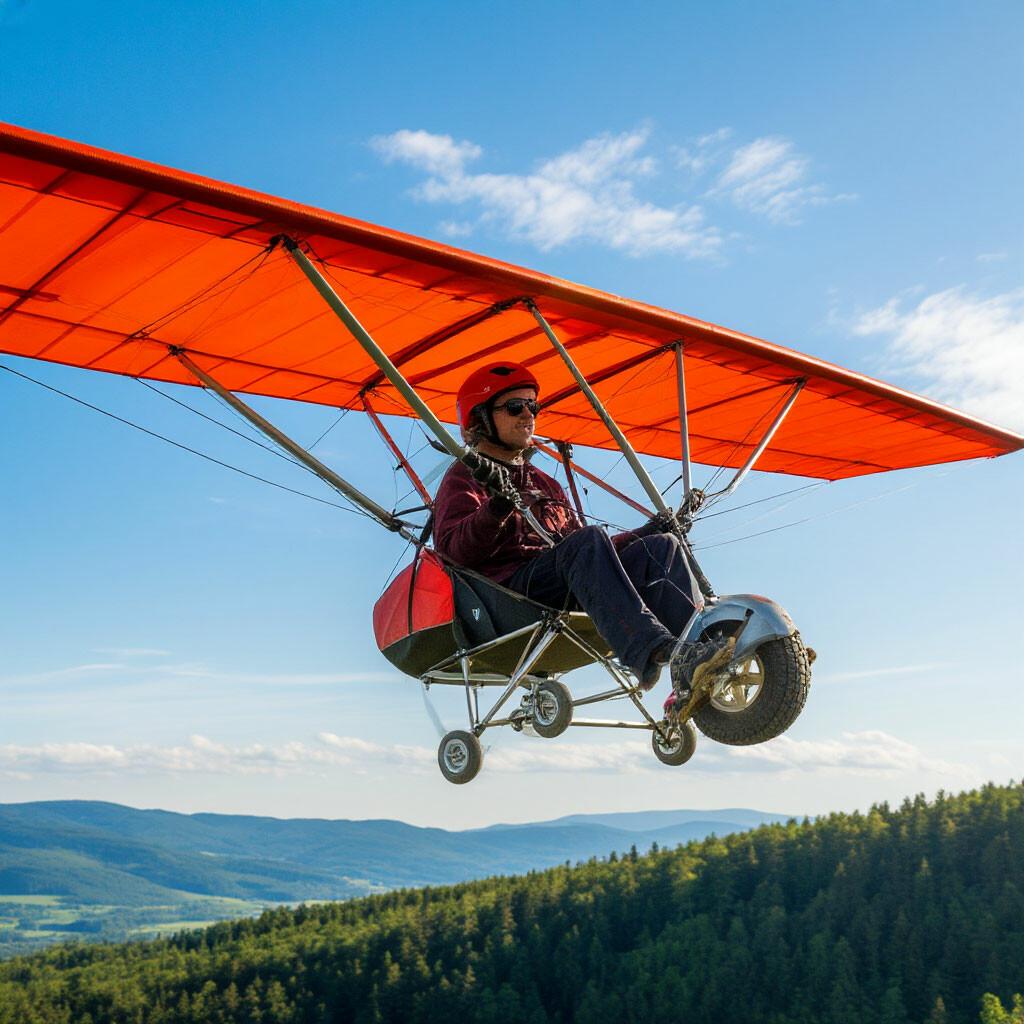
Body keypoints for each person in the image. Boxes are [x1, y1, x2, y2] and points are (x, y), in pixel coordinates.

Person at [432, 361, 734, 708]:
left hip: (562, 584)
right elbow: (454, 551)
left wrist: (647, 531)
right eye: (515, 407)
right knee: (588, 540)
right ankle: (650, 649)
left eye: (533, 406)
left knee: (660, 547)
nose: (528, 414)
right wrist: (496, 508)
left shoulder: (545, 483)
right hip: (508, 599)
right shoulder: (464, 477)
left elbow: (590, 554)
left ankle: (704, 659)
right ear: (481, 419)